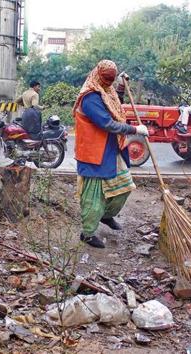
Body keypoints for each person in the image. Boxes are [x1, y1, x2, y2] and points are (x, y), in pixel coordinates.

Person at [73, 60, 149, 248]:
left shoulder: (106, 91)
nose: (109, 83)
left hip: (111, 147)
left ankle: (106, 216)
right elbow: (106, 122)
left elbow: (114, 104)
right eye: (107, 79)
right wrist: (134, 130)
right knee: (94, 194)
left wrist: (121, 87)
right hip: (94, 152)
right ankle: (88, 233)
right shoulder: (90, 97)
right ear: (98, 75)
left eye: (112, 80)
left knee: (124, 186)